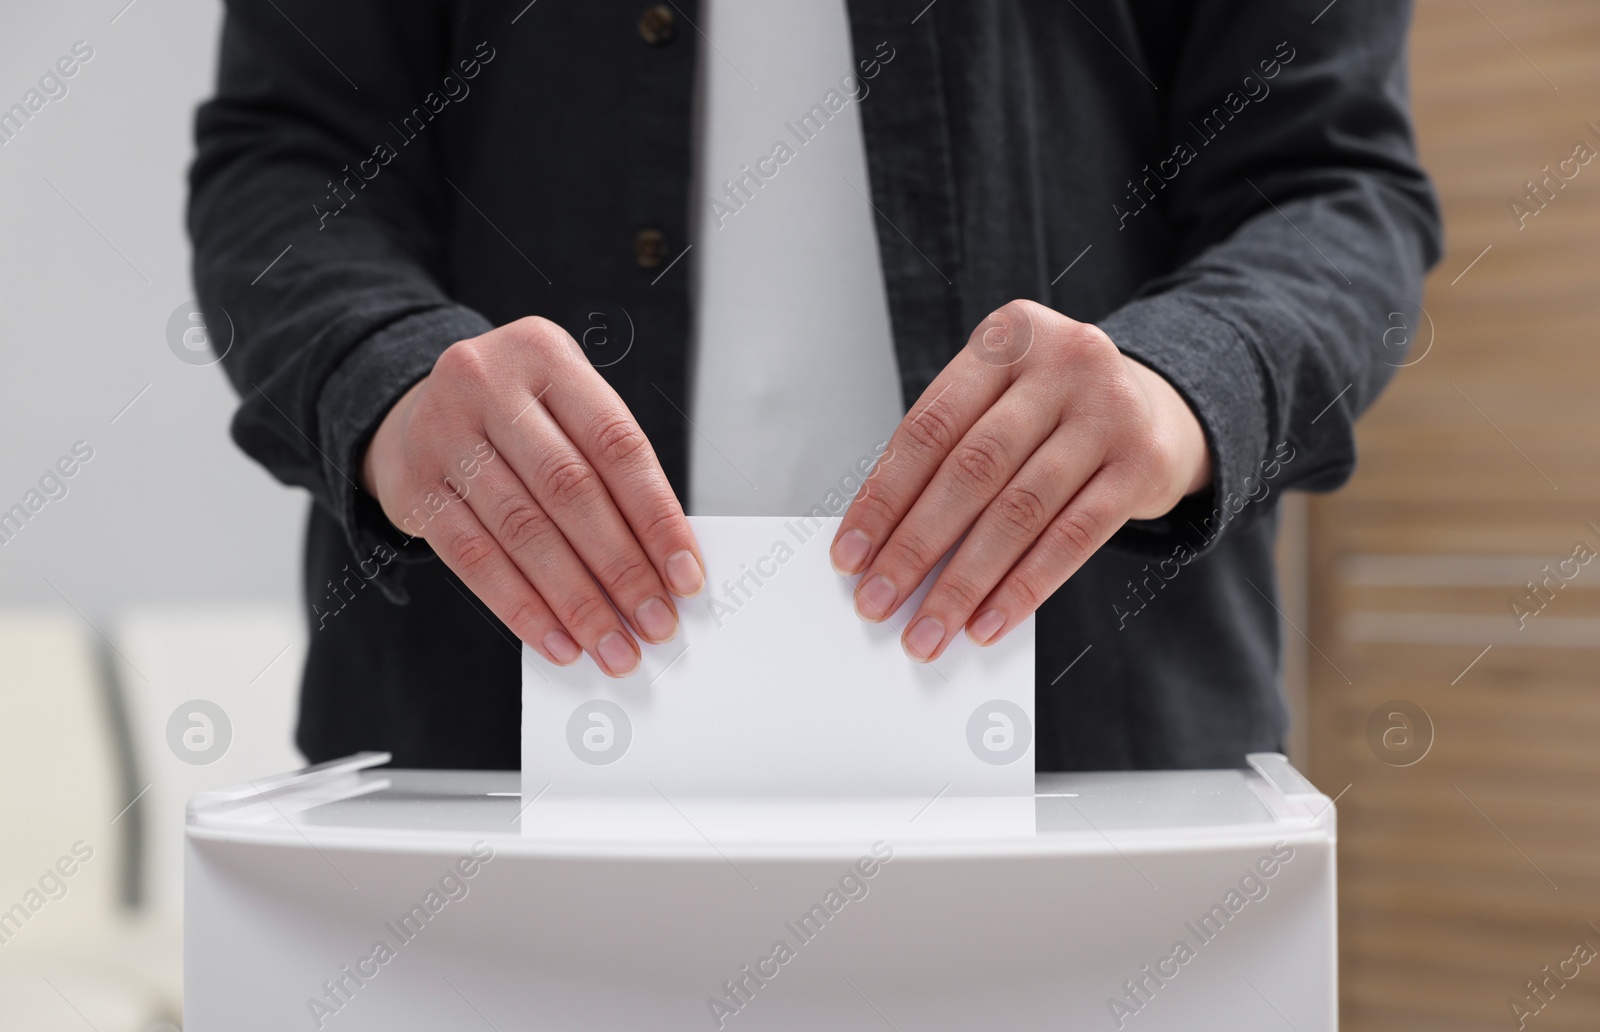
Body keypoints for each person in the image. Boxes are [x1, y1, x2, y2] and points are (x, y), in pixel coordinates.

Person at [189, 0, 1440, 772]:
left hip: (1096, 779)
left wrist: (1188, 376)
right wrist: (383, 364)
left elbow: (1335, 185)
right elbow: (288, 159)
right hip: (476, 772)